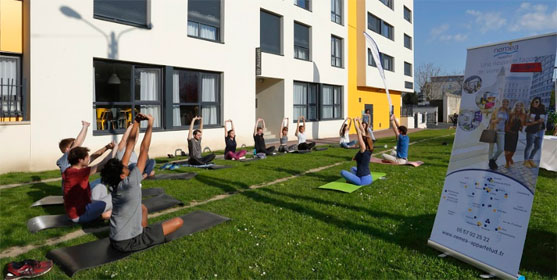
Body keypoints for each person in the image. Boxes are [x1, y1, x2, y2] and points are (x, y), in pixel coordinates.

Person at [101, 114, 184, 252]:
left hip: (115, 238)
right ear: (122, 175)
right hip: (128, 243)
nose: (127, 166)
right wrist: (150, 124)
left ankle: (143, 231)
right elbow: (144, 149)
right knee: (178, 222)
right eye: (125, 167)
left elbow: (130, 146)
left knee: (143, 208)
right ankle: (144, 237)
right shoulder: (130, 183)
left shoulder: (114, 182)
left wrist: (136, 123)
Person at [62, 143, 115, 223]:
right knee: (117, 195)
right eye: (87, 157)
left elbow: (94, 156)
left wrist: (107, 147)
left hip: (84, 206)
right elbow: (103, 164)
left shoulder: (71, 169)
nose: (88, 158)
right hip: (80, 215)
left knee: (100, 185)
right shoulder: (76, 173)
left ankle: (103, 212)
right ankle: (104, 214)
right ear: (80, 160)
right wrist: (116, 148)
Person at [57, 121, 111, 191]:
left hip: (81, 190)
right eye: (73, 144)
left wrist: (107, 147)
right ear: (68, 149)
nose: (78, 147)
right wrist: (85, 127)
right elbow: (77, 143)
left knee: (105, 179)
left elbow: (93, 157)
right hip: (73, 195)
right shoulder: (63, 161)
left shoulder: (77, 161)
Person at [340, 117, 374, 186]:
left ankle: (353, 180)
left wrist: (355, 122)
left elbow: (359, 132)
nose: (360, 141)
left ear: (364, 143)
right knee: (352, 168)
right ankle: (354, 178)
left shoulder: (363, 149)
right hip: (369, 177)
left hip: (362, 180)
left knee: (342, 172)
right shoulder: (369, 149)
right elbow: (363, 132)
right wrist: (359, 121)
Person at [523, 97, 546, 168]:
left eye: (536, 102)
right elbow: (526, 123)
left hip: (540, 131)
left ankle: (531, 159)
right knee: (529, 146)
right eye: (533, 102)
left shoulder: (542, 111)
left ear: (539, 103)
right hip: (531, 131)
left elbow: (544, 119)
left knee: (538, 146)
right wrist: (536, 122)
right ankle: (526, 160)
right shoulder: (529, 111)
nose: (534, 103)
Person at [488, 99, 509, 170]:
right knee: (491, 147)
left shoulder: (507, 112)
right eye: (503, 102)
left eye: (506, 103)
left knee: (501, 149)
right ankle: (490, 161)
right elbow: (490, 121)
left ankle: (493, 160)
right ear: (501, 103)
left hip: (502, 132)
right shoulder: (496, 110)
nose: (504, 104)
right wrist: (496, 120)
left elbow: (507, 122)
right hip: (494, 131)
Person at [504, 102, 526, 168]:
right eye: (517, 105)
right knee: (506, 149)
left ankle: (509, 158)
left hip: (515, 133)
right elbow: (507, 122)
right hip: (508, 132)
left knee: (513, 150)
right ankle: (507, 162)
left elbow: (524, 124)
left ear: (522, 107)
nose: (518, 107)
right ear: (515, 106)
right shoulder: (511, 113)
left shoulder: (523, 115)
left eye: (520, 105)